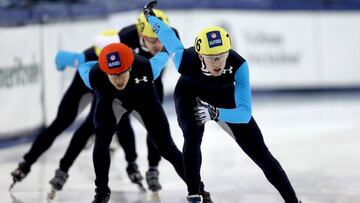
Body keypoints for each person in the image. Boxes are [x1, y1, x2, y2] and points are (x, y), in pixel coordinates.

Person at [143, 1, 301, 203]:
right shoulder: (185, 60)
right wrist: (149, 16)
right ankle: (194, 195)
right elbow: (167, 35)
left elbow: (244, 113)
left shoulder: (239, 65)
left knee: (261, 153)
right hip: (190, 96)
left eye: (222, 56)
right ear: (200, 55)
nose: (218, 63)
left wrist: (216, 113)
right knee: (192, 137)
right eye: (212, 57)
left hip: (224, 99)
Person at [48, 9, 183, 194]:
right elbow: (95, 62)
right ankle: (65, 169)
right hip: (115, 89)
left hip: (147, 84)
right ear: (140, 34)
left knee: (158, 133)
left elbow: (174, 58)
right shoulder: (125, 36)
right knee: (93, 125)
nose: (157, 44)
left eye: (160, 39)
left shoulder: (168, 38)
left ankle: (153, 168)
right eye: (151, 40)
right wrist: (75, 61)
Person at [77, 42, 183, 203]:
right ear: (105, 72)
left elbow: (162, 57)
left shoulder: (146, 67)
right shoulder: (94, 76)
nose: (118, 80)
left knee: (167, 148)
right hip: (111, 102)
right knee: (101, 142)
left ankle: (197, 187)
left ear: (131, 68)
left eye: (121, 73)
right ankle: (101, 192)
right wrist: (96, 64)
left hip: (144, 100)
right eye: (113, 75)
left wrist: (167, 45)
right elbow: (82, 66)